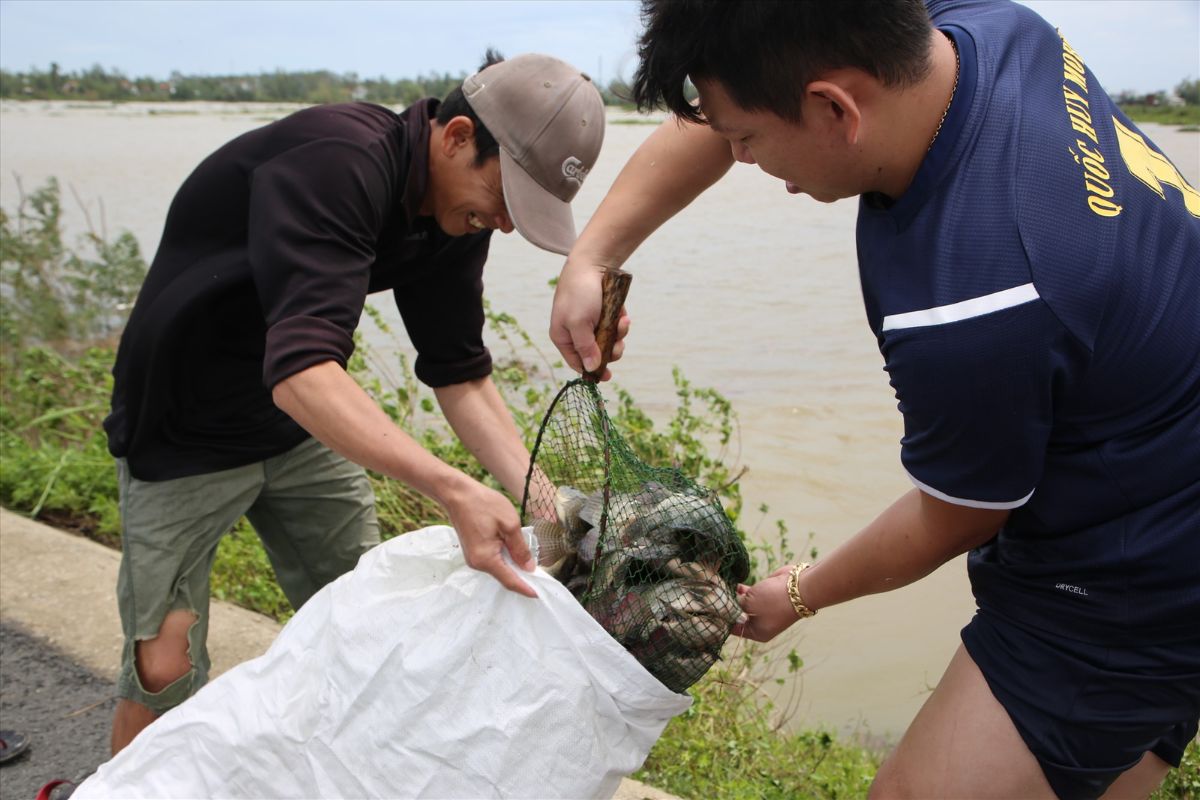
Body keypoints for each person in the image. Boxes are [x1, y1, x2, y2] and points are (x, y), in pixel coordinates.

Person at [549, 1, 1199, 798]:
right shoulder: (975, 30)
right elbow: (738, 89)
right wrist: (595, 254)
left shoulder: (981, 294)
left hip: (1139, 564)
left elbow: (955, 514)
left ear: (834, 108)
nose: (744, 160)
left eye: (748, 141)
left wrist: (795, 593)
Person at [103, 51, 605, 754]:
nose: (507, 224)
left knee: (367, 617)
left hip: (297, 423)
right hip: (185, 423)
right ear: (457, 135)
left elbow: (459, 374)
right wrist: (452, 488)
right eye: (507, 197)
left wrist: (541, 496)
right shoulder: (337, 162)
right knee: (165, 665)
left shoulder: (455, 217)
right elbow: (303, 369)